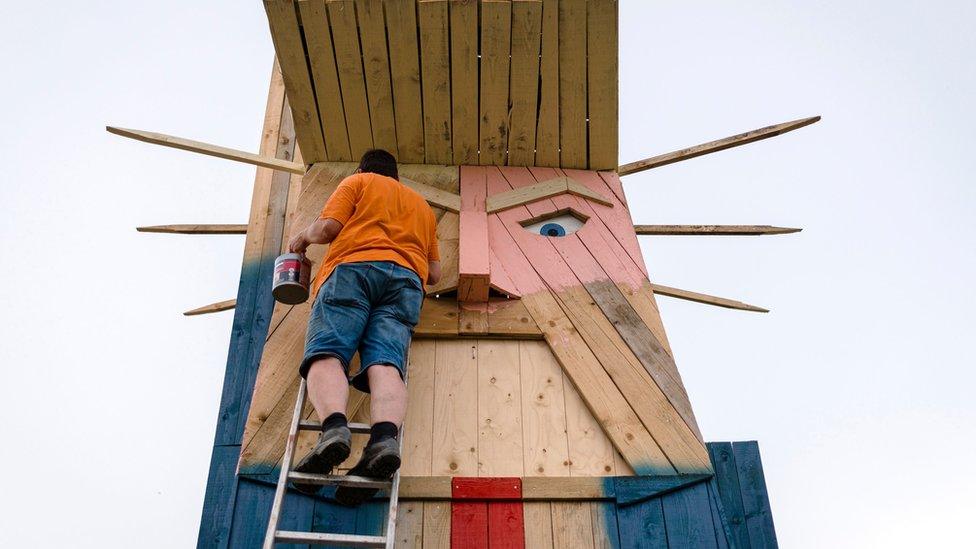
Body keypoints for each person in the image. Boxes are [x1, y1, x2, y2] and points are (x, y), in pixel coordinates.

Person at [286, 149, 440, 505]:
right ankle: (383, 440)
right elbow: (434, 273)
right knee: (385, 363)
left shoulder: (356, 182)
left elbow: (328, 229)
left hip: (353, 269)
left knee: (328, 351)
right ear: (397, 178)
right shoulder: (421, 207)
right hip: (405, 283)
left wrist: (303, 239)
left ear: (362, 169)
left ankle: (334, 430)